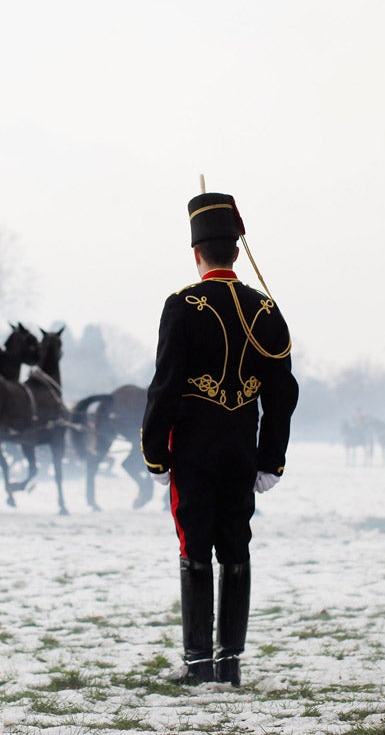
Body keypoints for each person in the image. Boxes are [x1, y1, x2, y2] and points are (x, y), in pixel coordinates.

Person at [141, 189, 298, 687]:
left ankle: (198, 666)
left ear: (197, 252)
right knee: (236, 547)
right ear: (235, 248)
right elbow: (282, 391)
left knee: (194, 548)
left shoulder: (181, 305)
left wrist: (153, 451)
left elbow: (165, 386)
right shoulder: (266, 309)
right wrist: (271, 458)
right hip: (240, 453)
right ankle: (228, 665)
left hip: (191, 454)